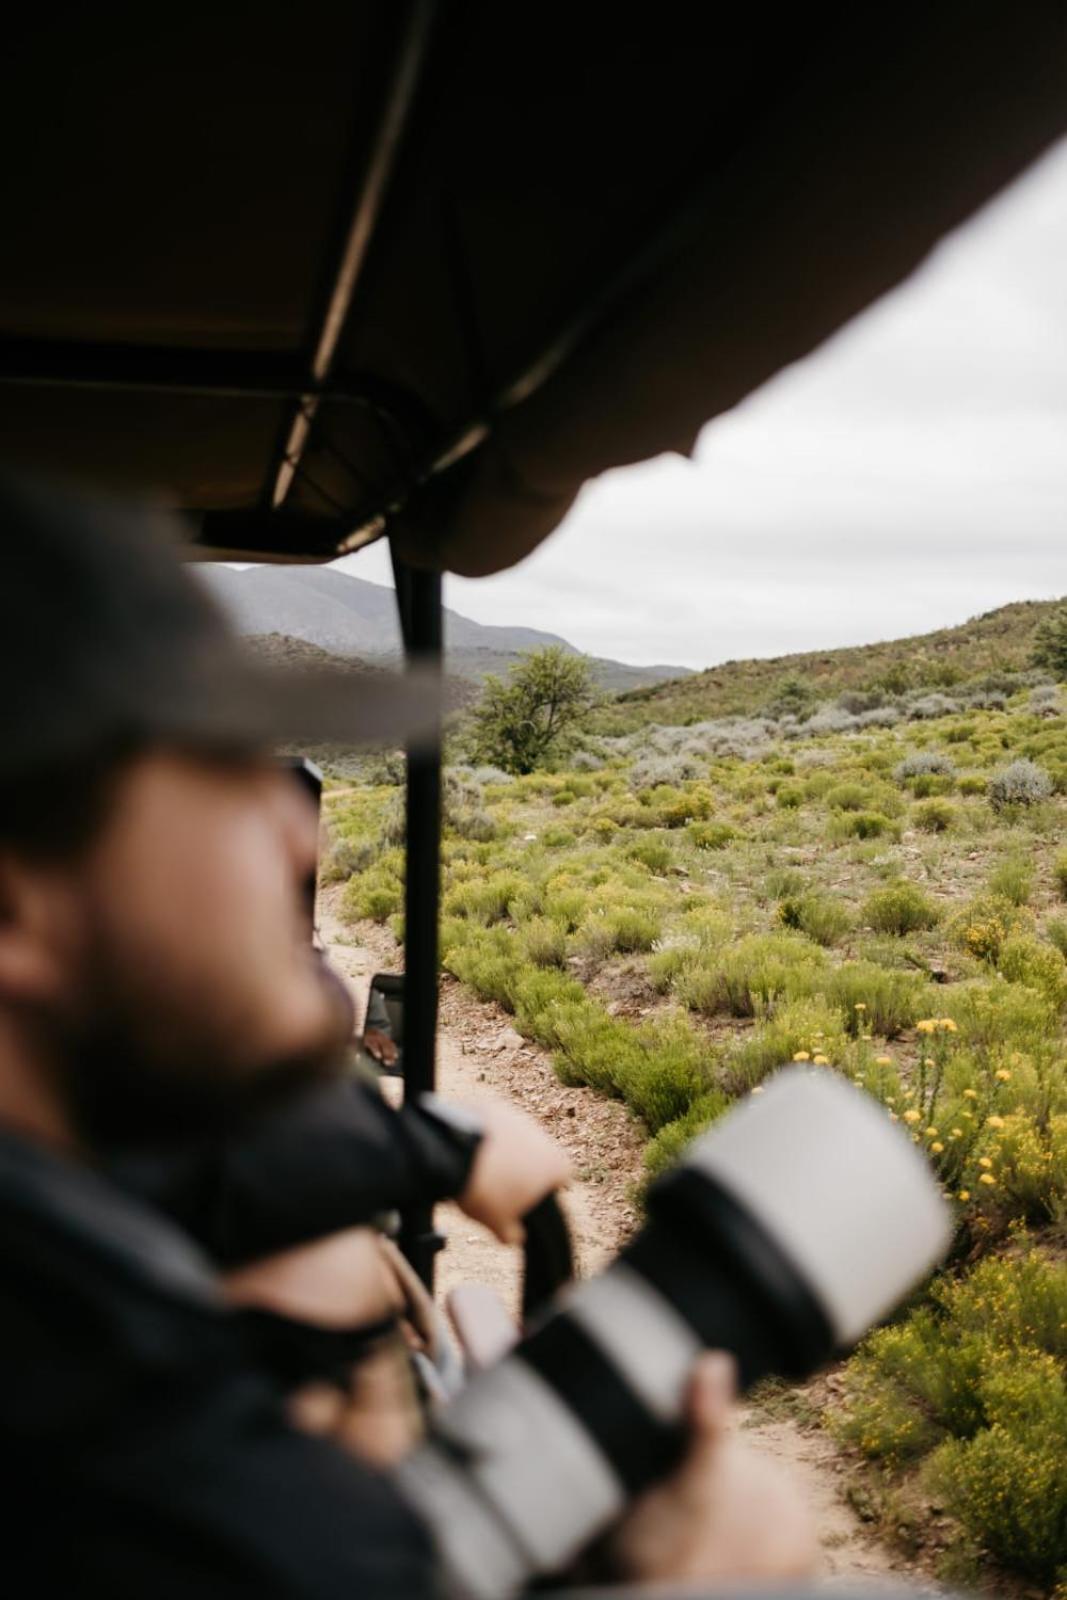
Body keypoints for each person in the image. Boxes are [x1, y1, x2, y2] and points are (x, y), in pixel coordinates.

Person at [0, 473, 814, 1594]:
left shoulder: (57, 1233)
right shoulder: (194, 1512)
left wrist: (427, 1147)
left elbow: (182, 1173)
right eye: (214, 775)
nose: (298, 831)